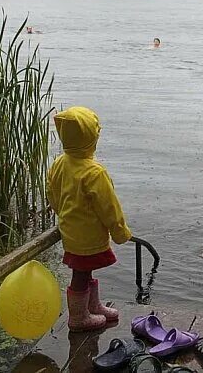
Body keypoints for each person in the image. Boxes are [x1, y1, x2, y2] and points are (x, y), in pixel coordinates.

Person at [47, 106, 133, 332]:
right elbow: (109, 207)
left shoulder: (59, 163)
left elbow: (52, 193)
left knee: (85, 270)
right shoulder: (94, 172)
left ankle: (92, 306)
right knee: (81, 272)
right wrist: (120, 232)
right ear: (91, 137)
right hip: (88, 234)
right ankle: (78, 318)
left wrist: (62, 213)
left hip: (70, 229)